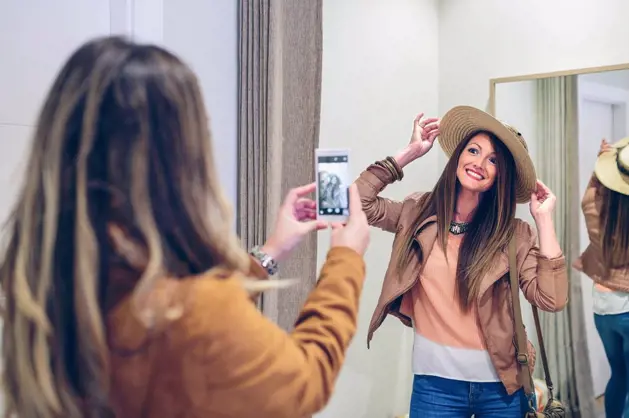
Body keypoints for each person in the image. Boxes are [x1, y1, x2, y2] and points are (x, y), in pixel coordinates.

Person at [0, 36, 371, 418]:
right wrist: (345, 260)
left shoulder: (46, 284)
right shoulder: (192, 310)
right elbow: (303, 385)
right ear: (177, 158)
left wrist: (271, 252)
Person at [355, 106, 569, 417]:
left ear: (502, 176)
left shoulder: (515, 234)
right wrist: (410, 152)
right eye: (473, 150)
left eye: (493, 160)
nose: (479, 163)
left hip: (502, 388)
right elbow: (356, 203)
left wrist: (544, 221)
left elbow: (551, 299)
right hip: (435, 385)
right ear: (459, 156)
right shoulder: (417, 212)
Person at [574, 136, 629, 418]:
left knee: (618, 376)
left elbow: (596, 183)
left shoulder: (592, 203)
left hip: (603, 307)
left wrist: (604, 159)